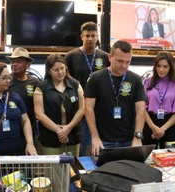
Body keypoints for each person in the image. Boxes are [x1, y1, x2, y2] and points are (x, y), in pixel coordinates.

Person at [85, 40, 146, 155]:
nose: (124, 66)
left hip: (128, 140)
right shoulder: (95, 78)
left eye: (128, 62)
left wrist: (138, 137)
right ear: (110, 57)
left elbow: (141, 110)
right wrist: (95, 137)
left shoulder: (136, 80)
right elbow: (88, 108)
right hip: (103, 140)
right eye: (120, 61)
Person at [65, 21, 110, 156]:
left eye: (93, 36)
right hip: (79, 105)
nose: (90, 39)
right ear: (81, 37)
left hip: (100, 105)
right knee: (84, 139)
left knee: (101, 138)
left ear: (97, 37)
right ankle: (84, 168)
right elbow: (67, 80)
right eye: (87, 36)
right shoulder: (71, 56)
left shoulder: (104, 56)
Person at [34, 54, 84, 156]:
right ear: (49, 71)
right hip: (50, 138)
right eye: (56, 70)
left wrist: (68, 128)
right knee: (53, 170)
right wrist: (60, 131)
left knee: (73, 169)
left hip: (73, 135)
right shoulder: (41, 87)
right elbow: (39, 114)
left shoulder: (76, 85)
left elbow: (82, 109)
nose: (60, 72)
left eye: (62, 68)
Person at [142, 52, 175, 149]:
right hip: (150, 124)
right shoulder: (147, 82)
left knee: (168, 159)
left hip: (169, 125)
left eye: (165, 66)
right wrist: (153, 127)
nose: (161, 70)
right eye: (158, 66)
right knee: (148, 158)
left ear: (170, 67)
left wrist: (162, 129)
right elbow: (142, 107)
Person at [6, 47, 40, 152]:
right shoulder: (7, 81)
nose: (14, 64)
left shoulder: (34, 82)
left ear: (28, 64)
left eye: (18, 62)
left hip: (31, 129)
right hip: (11, 129)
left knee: (28, 162)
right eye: (12, 61)